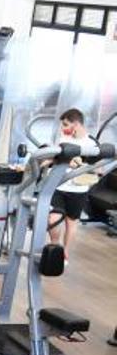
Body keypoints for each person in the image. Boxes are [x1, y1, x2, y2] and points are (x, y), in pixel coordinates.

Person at [47, 108, 97, 261]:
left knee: (71, 222)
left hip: (78, 190)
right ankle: (55, 248)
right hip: (59, 186)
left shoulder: (91, 144)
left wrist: (82, 165)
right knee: (53, 219)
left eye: (65, 125)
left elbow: (97, 169)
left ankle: (65, 254)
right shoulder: (63, 139)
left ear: (76, 124)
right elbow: (54, 158)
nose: (63, 128)